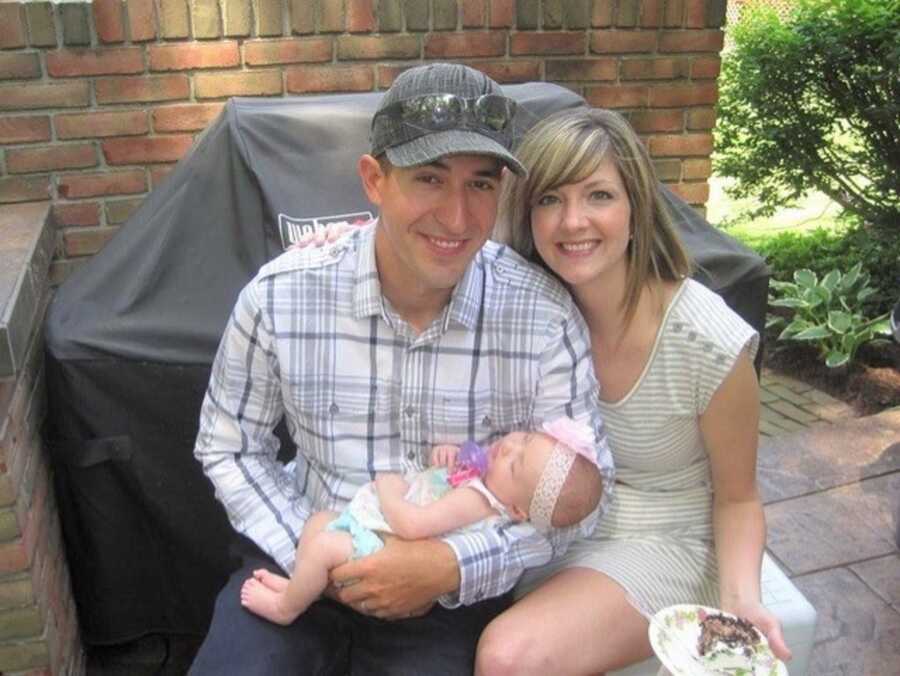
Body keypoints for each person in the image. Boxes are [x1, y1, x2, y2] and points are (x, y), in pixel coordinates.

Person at [190, 63, 614, 676]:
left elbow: (580, 493)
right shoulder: (282, 296)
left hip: (443, 597)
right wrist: (312, 548)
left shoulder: (542, 317)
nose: (458, 217)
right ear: (374, 179)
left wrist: (449, 566)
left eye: (481, 184)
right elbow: (229, 446)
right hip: (298, 562)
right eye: (429, 179)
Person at [471, 108, 792, 674]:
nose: (573, 222)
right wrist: (343, 245)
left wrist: (742, 598)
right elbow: (435, 257)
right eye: (549, 199)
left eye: (598, 195)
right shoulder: (531, 304)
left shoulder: (706, 338)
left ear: (636, 207)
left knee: (508, 657)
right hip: (553, 527)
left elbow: (739, 497)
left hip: (665, 540)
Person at [240, 418, 606, 626]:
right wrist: (445, 457)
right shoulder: (481, 481)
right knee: (319, 522)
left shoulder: (476, 500)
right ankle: (301, 587)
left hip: (389, 550)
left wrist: (387, 489)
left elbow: (413, 526)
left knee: (321, 543)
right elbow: (439, 481)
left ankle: (286, 608)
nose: (509, 448)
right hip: (382, 535)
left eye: (515, 464)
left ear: (517, 511)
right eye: (525, 439)